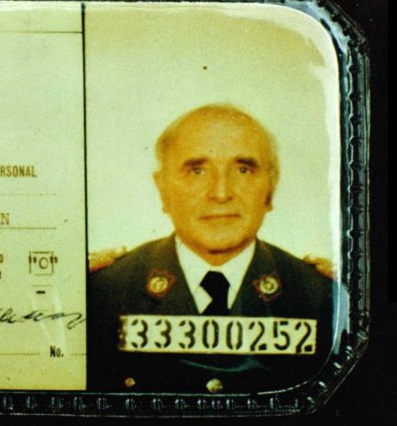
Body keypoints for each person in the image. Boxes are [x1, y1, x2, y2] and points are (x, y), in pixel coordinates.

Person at [87, 104, 338, 393]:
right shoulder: (102, 294)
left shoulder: (321, 299)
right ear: (163, 188)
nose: (220, 193)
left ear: (270, 187)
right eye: (197, 171)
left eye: (243, 169)